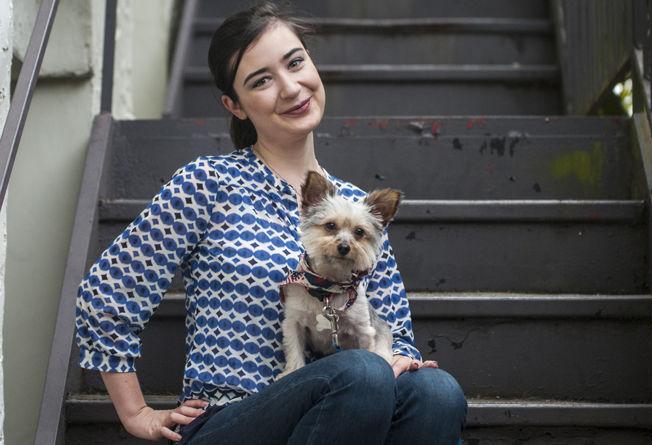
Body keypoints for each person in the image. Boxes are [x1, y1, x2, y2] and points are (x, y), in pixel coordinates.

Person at [74, 2, 468, 444]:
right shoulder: (207, 183)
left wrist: (399, 360)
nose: (290, 87)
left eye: (295, 62)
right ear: (235, 105)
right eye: (261, 81)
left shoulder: (359, 213)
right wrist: (136, 411)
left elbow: (391, 327)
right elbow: (107, 291)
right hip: (232, 418)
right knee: (361, 374)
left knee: (438, 393)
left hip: (349, 408)